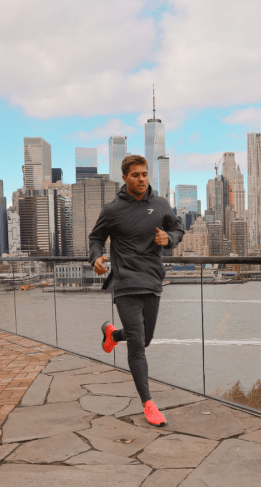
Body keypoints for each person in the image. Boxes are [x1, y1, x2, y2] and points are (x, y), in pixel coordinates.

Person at [88, 155, 184, 426]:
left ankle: (112, 333)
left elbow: (178, 229)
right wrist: (96, 257)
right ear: (125, 178)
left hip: (152, 280)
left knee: (144, 339)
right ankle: (148, 403)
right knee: (138, 347)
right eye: (135, 175)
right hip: (125, 282)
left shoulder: (161, 204)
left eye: (144, 174)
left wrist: (169, 239)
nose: (141, 179)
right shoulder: (113, 209)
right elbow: (96, 238)